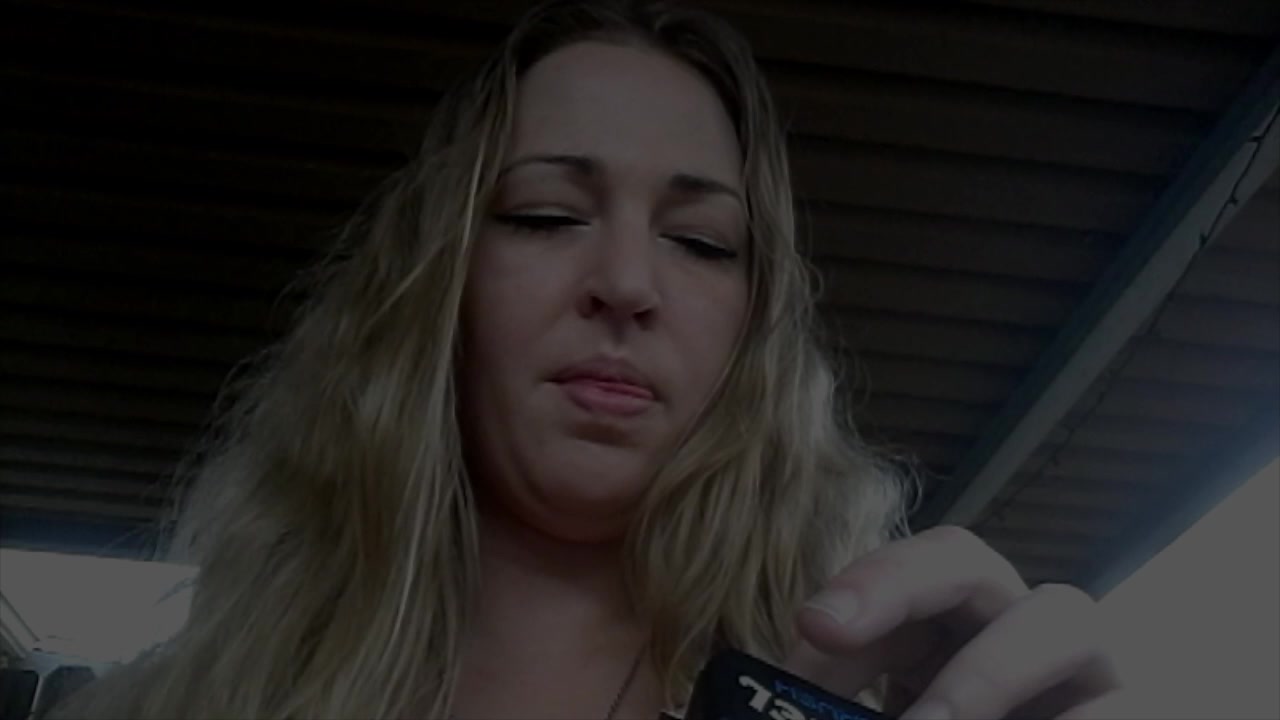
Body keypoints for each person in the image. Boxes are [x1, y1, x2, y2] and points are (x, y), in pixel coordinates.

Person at [56, 1, 1139, 718]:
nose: (626, 282)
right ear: (439, 288)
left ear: (754, 328)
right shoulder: (171, 705)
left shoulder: (867, 691)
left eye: (701, 242)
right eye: (544, 215)